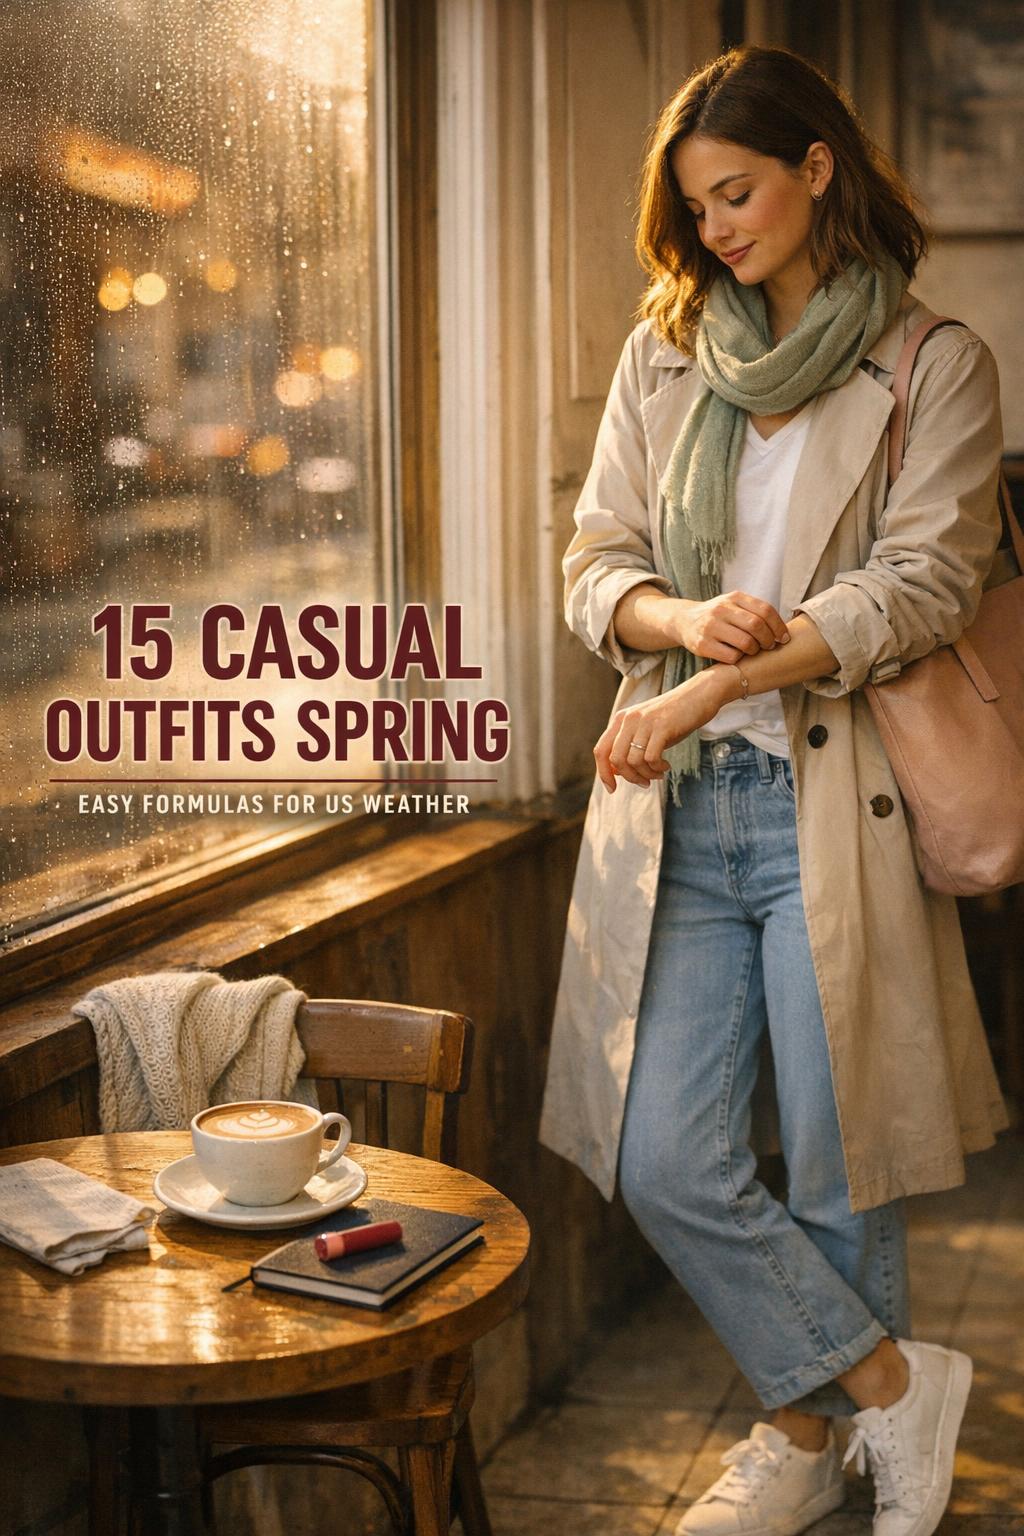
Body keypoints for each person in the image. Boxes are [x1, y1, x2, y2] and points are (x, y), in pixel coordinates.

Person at [538, 45, 1010, 1536]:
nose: (716, 229)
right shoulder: (666, 354)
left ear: (818, 168)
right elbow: (594, 567)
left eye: (737, 193)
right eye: (696, 208)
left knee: (839, 1158)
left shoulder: (935, 364)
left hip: (835, 803)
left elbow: (920, 586)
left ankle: (807, 1450)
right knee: (664, 1158)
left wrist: (713, 684)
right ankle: (891, 1391)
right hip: (680, 810)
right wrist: (684, 623)